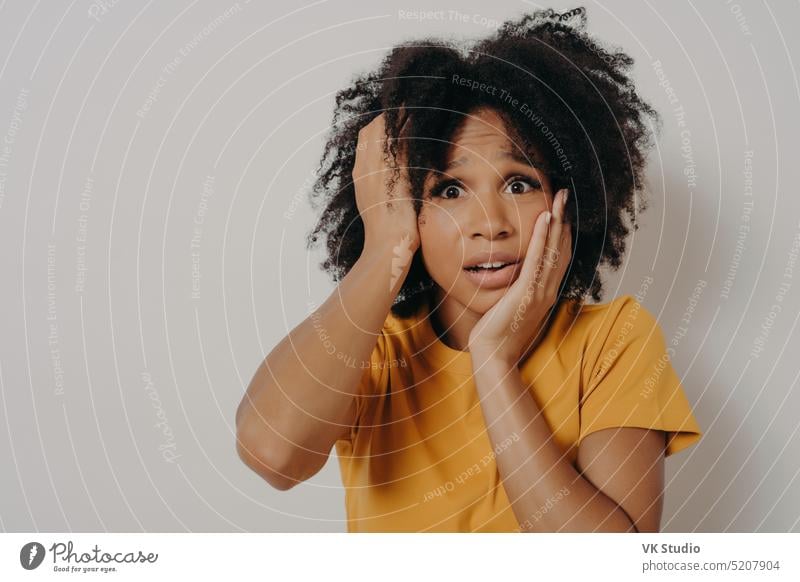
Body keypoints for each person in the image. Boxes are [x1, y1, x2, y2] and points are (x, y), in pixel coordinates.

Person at [236, 6, 702, 532]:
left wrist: (493, 360)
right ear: (407, 208)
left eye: (519, 183)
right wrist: (384, 247)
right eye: (449, 190)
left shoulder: (612, 341)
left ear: (570, 202)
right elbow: (272, 457)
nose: (490, 224)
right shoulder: (372, 348)